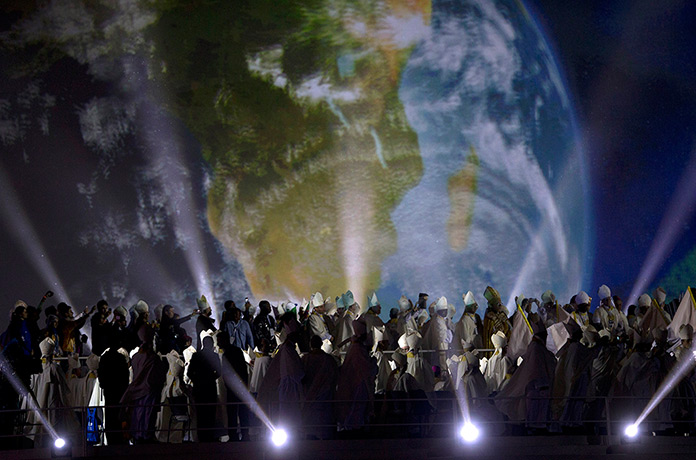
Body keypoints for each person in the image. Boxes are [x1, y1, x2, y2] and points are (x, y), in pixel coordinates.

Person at [120, 325, 168, 444]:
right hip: (149, 391)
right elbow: (159, 375)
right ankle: (146, 438)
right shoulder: (153, 358)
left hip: (137, 390)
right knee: (148, 416)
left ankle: (138, 437)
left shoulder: (136, 357)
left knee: (138, 415)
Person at [302, 335, 338, 439]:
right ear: (321, 344)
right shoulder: (329, 360)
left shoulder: (305, 359)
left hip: (309, 397)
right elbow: (334, 377)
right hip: (324, 398)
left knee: (311, 427)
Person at [187, 334, 221, 442]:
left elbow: (189, 373)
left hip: (199, 388)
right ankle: (210, 436)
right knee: (210, 413)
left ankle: (201, 437)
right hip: (210, 388)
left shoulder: (196, 356)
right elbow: (219, 372)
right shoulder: (214, 356)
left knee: (201, 414)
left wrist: (197, 380)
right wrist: (211, 378)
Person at [217, 331, 250, 441]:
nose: (218, 344)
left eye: (219, 341)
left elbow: (227, 372)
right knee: (242, 411)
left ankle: (234, 435)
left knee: (232, 412)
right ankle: (244, 434)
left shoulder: (227, 354)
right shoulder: (236, 351)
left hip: (233, 388)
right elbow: (243, 370)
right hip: (240, 387)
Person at [98, 338, 130, 445]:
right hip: (119, 391)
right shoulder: (120, 358)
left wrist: (104, 385)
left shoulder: (104, 358)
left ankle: (111, 438)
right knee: (119, 415)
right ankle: (119, 438)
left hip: (109, 391)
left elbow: (101, 375)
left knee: (109, 415)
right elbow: (125, 376)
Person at [482, 286, 511, 357]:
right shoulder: (489, 318)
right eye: (498, 304)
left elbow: (509, 328)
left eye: (501, 303)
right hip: (495, 349)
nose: (500, 305)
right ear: (492, 305)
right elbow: (490, 335)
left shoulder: (502, 314)